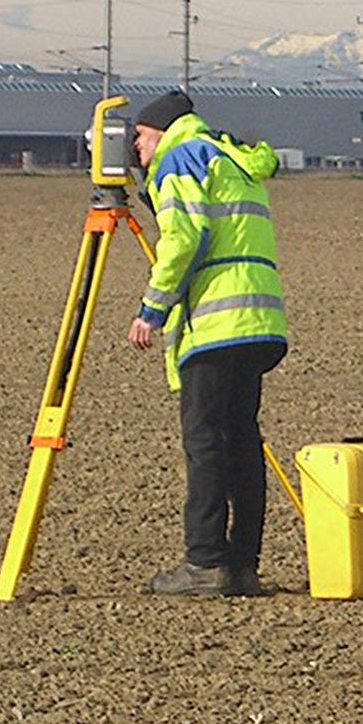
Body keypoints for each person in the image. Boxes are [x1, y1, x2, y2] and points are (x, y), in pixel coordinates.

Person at [126, 91, 288, 597]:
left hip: (215, 322)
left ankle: (203, 562)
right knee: (241, 443)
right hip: (258, 318)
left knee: (205, 444)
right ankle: (242, 565)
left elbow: (184, 236)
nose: (132, 147)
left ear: (160, 130)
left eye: (137, 136)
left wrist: (151, 309)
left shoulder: (181, 156)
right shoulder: (229, 157)